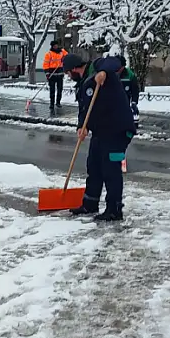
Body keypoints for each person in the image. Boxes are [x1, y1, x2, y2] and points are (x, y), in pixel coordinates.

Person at [62, 53, 137, 222]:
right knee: (94, 166)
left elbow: (115, 61)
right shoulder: (83, 84)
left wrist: (103, 72)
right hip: (101, 131)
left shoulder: (98, 66)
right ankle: (90, 204)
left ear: (74, 69)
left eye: (68, 73)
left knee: (111, 170)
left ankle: (114, 209)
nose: (69, 76)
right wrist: (82, 126)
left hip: (117, 130)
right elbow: (84, 109)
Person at [113, 55, 141, 130]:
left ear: (123, 66)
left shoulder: (129, 75)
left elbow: (135, 90)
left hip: (125, 101)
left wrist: (134, 102)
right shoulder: (109, 74)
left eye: (119, 67)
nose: (117, 70)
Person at [42, 41, 69, 110]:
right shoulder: (49, 54)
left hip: (60, 75)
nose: (56, 47)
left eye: (56, 45)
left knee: (60, 89)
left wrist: (64, 58)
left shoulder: (62, 52)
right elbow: (45, 65)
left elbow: (68, 56)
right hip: (52, 75)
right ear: (52, 46)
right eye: (54, 46)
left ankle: (58, 102)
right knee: (52, 90)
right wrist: (47, 74)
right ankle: (52, 103)